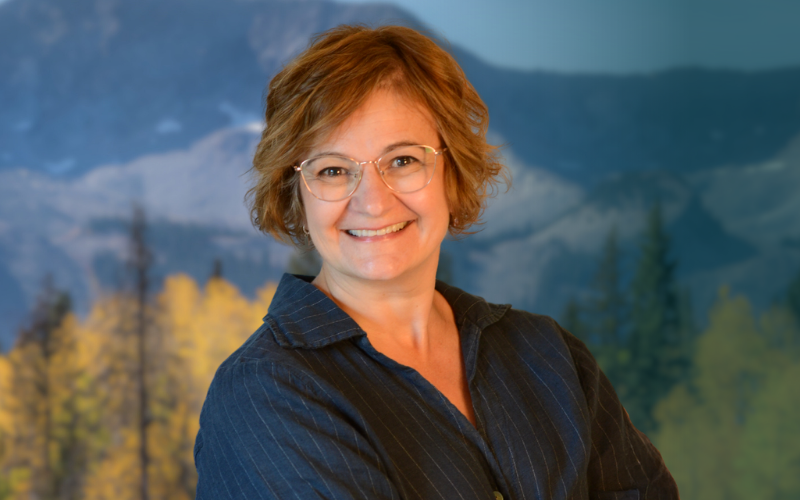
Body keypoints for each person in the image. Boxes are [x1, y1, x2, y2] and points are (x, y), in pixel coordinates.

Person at [193, 24, 679, 499]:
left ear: (452, 170)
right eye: (333, 170)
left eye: (403, 160)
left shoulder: (549, 356)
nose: (373, 201)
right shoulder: (263, 394)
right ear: (296, 195)